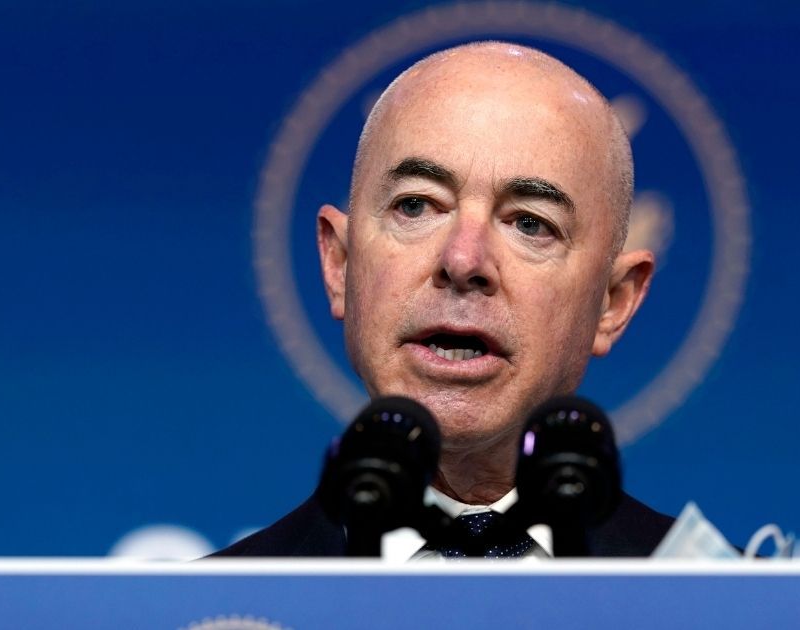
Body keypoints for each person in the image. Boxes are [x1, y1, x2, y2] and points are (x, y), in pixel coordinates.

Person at [216, 41, 671, 558]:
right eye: (415, 205)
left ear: (613, 302)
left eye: (529, 223)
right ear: (340, 264)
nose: (463, 261)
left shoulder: (732, 608)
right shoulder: (201, 612)